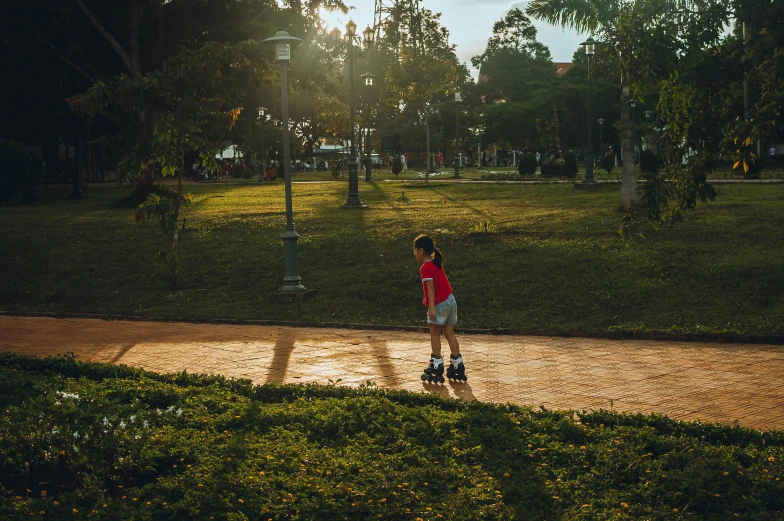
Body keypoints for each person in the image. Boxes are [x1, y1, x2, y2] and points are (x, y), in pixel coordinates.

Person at [412, 234, 466, 383]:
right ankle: (457, 364)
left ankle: (436, 365)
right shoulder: (437, 263)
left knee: (435, 334)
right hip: (450, 300)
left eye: (415, 250)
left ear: (421, 250)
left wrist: (432, 309)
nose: (414, 253)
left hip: (439, 303)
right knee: (449, 333)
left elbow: (431, 289)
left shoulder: (426, 267)